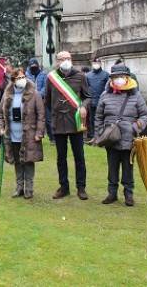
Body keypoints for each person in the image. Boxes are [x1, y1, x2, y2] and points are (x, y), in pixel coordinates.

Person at [94, 64, 147, 206]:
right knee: (112, 167)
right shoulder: (105, 95)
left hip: (129, 138)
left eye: (121, 77)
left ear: (127, 78)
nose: (118, 79)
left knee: (127, 168)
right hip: (110, 138)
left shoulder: (136, 96)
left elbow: (145, 115)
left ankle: (128, 194)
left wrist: (135, 126)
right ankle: (111, 193)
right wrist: (100, 133)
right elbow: (98, 116)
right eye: (115, 77)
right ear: (111, 79)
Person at [45, 51, 91, 200]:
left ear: (71, 60)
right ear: (57, 62)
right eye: (62, 59)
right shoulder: (51, 78)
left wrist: (84, 106)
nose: (65, 61)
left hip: (75, 122)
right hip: (58, 123)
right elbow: (48, 100)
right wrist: (57, 112)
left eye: (68, 58)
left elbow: (88, 97)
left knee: (79, 157)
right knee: (61, 158)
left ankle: (81, 188)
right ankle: (63, 187)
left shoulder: (80, 76)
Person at [0, 68, 45, 199]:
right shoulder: (7, 95)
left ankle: (29, 189)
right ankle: (19, 188)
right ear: (13, 81)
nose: (22, 80)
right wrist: (1, 128)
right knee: (17, 161)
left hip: (30, 134)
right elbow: (0, 115)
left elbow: (41, 115)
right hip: (12, 135)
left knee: (28, 161)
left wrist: (39, 132)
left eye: (23, 77)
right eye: (18, 78)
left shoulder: (34, 94)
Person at [26, 58, 52, 142]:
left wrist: (39, 95)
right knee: (32, 119)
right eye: (32, 66)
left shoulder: (44, 74)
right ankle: (35, 136)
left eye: (35, 66)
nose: (33, 68)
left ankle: (52, 138)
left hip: (43, 99)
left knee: (47, 119)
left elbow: (45, 86)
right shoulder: (26, 75)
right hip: (30, 100)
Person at [86, 57, 110, 142]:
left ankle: (102, 136)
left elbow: (108, 88)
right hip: (92, 102)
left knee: (103, 119)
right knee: (92, 119)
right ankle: (93, 136)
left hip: (103, 102)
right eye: (94, 63)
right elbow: (86, 88)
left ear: (100, 64)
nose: (96, 65)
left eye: (97, 63)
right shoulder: (88, 75)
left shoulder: (106, 75)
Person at [0, 61, 13, 148]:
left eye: (7, 65)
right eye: (4, 65)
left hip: (12, 104)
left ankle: (10, 140)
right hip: (1, 104)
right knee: (1, 122)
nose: (6, 67)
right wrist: (0, 78)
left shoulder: (13, 77)